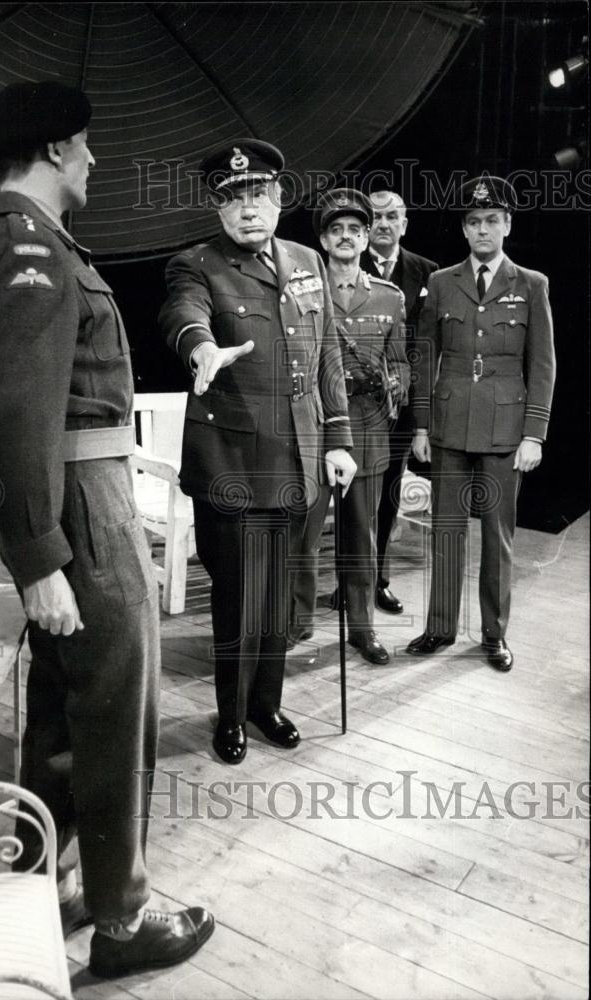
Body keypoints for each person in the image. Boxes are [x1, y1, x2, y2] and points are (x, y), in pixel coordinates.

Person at [0, 80, 214, 978]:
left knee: (69, 712)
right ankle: (123, 921)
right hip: (82, 504)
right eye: (88, 145)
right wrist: (39, 561)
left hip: (72, 498)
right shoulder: (33, 253)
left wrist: (39, 548)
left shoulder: (16, 243)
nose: (95, 160)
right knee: (116, 715)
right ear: (59, 149)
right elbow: (14, 416)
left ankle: (46, 883)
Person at [158, 140, 356, 764]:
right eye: (232, 197)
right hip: (233, 464)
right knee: (238, 595)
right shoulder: (195, 264)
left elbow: (327, 352)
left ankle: (266, 705)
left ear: (277, 197)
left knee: (280, 592)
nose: (247, 208)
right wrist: (200, 348)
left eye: (258, 194)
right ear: (216, 207)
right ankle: (231, 714)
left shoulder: (307, 260)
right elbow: (183, 315)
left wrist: (339, 439)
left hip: (299, 458)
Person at [407, 175, 556, 671]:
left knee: (497, 537)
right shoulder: (440, 282)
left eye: (492, 220)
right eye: (474, 221)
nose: (483, 229)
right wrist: (422, 426)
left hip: (505, 430)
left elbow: (542, 364)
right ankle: (440, 628)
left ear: (507, 224)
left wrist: (533, 434)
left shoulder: (531, 284)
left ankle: (494, 634)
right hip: (449, 425)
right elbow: (425, 357)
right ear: (464, 229)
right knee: (446, 532)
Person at [290, 189, 410, 665]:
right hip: (313, 428)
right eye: (336, 229)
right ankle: (297, 623)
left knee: (362, 537)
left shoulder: (389, 297)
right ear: (322, 239)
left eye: (355, 230)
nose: (346, 237)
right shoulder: (300, 292)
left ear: (366, 239)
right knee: (303, 534)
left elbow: (400, 361)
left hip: (367, 429)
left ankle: (362, 628)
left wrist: (394, 387)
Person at [360, 190, 438, 615]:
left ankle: (376, 579)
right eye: (376, 217)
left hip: (401, 407)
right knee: (353, 495)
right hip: (353, 405)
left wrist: (421, 413)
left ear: (404, 225)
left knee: (389, 492)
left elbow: (428, 348)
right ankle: (349, 582)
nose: (384, 224)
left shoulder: (428, 273)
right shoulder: (345, 264)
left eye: (393, 216)